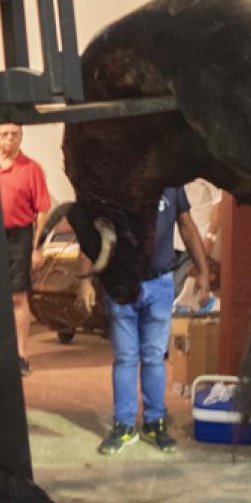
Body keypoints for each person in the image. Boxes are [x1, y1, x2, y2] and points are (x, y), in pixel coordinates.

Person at [98, 185, 212, 455]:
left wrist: (204, 271)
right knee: (125, 358)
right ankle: (124, 425)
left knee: (153, 357)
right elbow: (97, 229)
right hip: (121, 283)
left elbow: (187, 226)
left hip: (159, 284)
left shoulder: (171, 182)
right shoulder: (117, 176)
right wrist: (86, 278)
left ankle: (154, 423)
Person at [0, 123, 51, 377]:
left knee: (18, 297)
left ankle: (21, 355)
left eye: (14, 135)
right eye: (4, 134)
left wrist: (36, 248)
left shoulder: (32, 169)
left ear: (21, 137)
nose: (9, 139)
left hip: (20, 237)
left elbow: (43, 210)